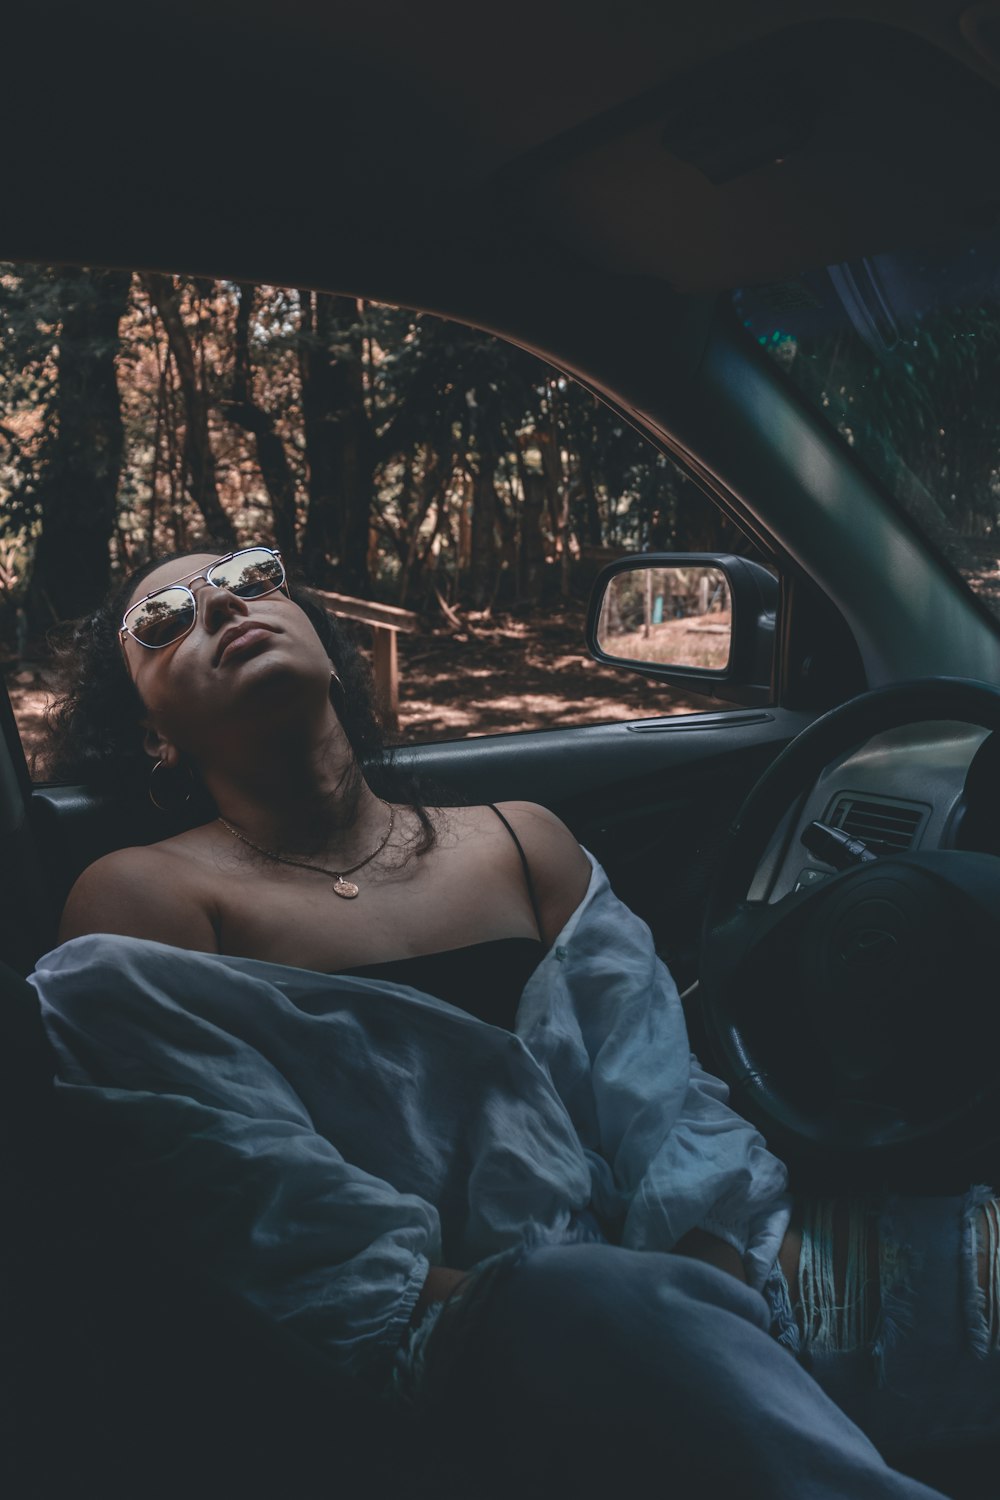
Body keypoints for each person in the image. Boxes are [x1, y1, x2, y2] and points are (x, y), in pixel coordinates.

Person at [28, 544, 1000, 1498]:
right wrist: (617, 1313)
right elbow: (268, 1219)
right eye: (163, 620)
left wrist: (700, 1280)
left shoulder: (519, 840)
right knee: (588, 1308)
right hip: (441, 1344)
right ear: (154, 731)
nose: (222, 606)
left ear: (323, 645)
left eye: (248, 577)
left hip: (676, 1267)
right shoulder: (142, 899)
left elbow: (658, 1096)